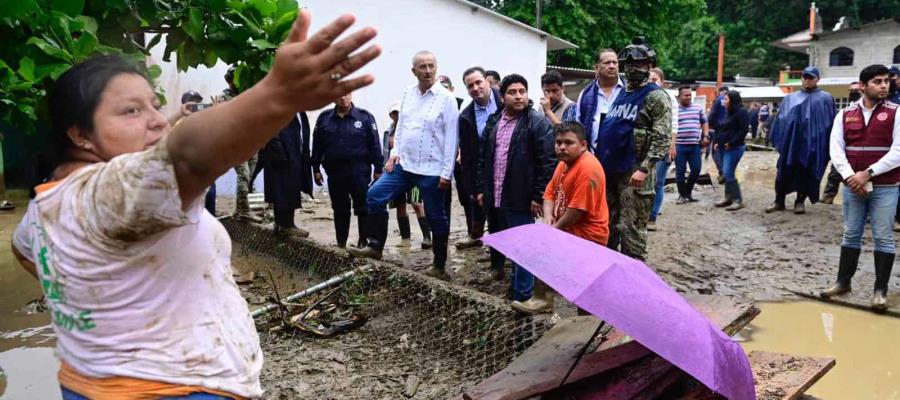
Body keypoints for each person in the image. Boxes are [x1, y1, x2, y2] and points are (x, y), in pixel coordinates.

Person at [11, 11, 378, 399]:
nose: (156, 121)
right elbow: (188, 156)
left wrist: (108, 300)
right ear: (81, 134)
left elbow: (25, 252)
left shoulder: (47, 202)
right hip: (173, 390)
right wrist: (277, 95)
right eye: (131, 111)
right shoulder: (111, 193)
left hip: (90, 383)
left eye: (155, 105)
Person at [349, 50, 459, 281]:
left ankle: (439, 265)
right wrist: (394, 153)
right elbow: (401, 126)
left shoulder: (446, 98)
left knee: (436, 216)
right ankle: (375, 246)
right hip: (404, 165)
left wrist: (446, 173)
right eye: (423, 67)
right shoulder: (408, 93)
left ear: (436, 68)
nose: (428, 71)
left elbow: (451, 138)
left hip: (431, 169)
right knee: (374, 195)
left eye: (431, 66)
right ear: (414, 71)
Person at [820, 64, 900, 310]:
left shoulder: (897, 113)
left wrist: (868, 173)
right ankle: (843, 283)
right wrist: (850, 177)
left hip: (886, 185)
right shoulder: (844, 114)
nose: (884, 85)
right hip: (853, 185)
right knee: (851, 234)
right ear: (863, 85)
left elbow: (898, 151)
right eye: (877, 81)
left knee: (883, 238)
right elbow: (836, 149)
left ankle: (880, 292)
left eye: (886, 81)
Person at [512, 121, 608, 314]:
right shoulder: (563, 164)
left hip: (588, 234)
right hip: (566, 227)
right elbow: (549, 193)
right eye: (558, 142)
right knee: (542, 249)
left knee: (586, 287)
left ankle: (586, 321)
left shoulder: (588, 168)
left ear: (583, 145)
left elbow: (576, 210)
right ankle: (544, 299)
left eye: (568, 143)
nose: (562, 147)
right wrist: (548, 220)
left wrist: (554, 230)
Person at [476, 74, 555, 299]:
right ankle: (516, 286)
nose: (518, 96)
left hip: (522, 196)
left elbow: (548, 162)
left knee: (524, 247)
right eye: (512, 92)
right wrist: (482, 188)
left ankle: (523, 294)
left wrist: (538, 195)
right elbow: (484, 158)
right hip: (497, 195)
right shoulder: (494, 121)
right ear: (502, 97)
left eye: (522, 91)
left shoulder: (537, 122)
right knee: (510, 245)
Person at [593, 37, 671, 261]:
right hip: (611, 172)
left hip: (635, 173)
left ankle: (633, 282)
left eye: (639, 64)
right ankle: (609, 273)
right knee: (608, 225)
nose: (633, 69)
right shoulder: (622, 93)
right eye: (628, 65)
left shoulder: (655, 96)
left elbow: (662, 137)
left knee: (632, 229)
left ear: (649, 66)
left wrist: (645, 169)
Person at [312, 92, 383, 248]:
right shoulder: (324, 118)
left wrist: (378, 168)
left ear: (351, 94)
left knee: (363, 207)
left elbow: (375, 144)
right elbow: (317, 145)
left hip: (359, 170)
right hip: (335, 172)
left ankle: (363, 242)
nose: (343, 98)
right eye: (339, 95)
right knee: (339, 208)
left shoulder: (364, 117)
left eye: (347, 94)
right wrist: (315, 168)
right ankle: (341, 242)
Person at [766, 66, 836, 215]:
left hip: (812, 144)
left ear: (818, 79)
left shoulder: (825, 98)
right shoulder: (790, 98)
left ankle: (800, 201)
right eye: (805, 77)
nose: (807, 80)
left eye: (811, 77)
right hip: (791, 143)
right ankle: (779, 200)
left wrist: (824, 143)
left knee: (806, 172)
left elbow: (829, 122)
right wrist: (779, 139)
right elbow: (781, 119)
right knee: (783, 171)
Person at [457, 66, 502, 251]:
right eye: (470, 86)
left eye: (478, 82)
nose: (475, 88)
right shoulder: (466, 117)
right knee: (487, 209)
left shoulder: (505, 100)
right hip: (483, 169)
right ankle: (491, 251)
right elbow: (467, 156)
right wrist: (472, 186)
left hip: (509, 165)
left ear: (487, 81)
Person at [564, 48, 624, 155]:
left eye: (615, 62)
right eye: (607, 63)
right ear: (596, 68)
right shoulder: (586, 94)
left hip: (623, 160)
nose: (612, 66)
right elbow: (579, 128)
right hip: (593, 157)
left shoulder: (628, 91)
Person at [220, 66, 261, 222]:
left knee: (248, 176)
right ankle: (244, 211)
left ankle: (240, 209)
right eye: (234, 78)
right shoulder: (224, 98)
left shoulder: (248, 94)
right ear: (229, 80)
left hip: (252, 142)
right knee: (243, 175)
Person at [172, 90, 217, 215]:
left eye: (199, 103)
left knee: (209, 213)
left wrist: (216, 114)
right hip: (189, 177)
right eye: (193, 104)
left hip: (208, 175)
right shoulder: (178, 125)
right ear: (184, 106)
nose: (197, 106)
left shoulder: (206, 124)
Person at [822, 82, 863, 204]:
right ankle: (828, 196)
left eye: (856, 90)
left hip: (858, 148)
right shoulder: (846, 109)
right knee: (835, 172)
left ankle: (857, 200)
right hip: (843, 146)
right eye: (851, 90)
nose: (853, 92)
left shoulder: (865, 107)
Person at [648, 67, 678, 231]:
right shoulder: (644, 97)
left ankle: (652, 217)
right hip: (645, 146)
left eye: (655, 80)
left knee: (658, 183)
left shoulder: (670, 98)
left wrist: (671, 146)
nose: (651, 83)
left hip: (664, 146)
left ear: (662, 82)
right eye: (649, 80)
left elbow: (674, 123)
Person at [712, 90, 750, 211]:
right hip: (724, 146)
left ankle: (738, 200)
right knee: (726, 172)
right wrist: (717, 141)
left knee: (728, 172)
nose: (724, 101)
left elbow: (743, 131)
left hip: (735, 147)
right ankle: (728, 198)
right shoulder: (729, 111)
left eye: (726, 99)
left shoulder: (742, 112)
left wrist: (731, 142)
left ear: (733, 100)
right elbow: (724, 129)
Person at [672, 85, 709, 203]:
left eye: (690, 95)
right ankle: (682, 196)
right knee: (680, 171)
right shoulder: (674, 110)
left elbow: (704, 122)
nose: (688, 97)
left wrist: (706, 135)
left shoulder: (698, 108)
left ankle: (688, 192)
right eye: (686, 95)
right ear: (679, 97)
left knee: (696, 170)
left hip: (694, 145)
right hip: (679, 145)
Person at [707, 86, 729, 183]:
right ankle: (726, 173)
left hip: (719, 129)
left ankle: (722, 172)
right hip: (730, 130)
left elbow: (712, 115)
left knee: (715, 152)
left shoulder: (719, 100)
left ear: (720, 92)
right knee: (726, 152)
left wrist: (711, 126)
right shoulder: (731, 100)